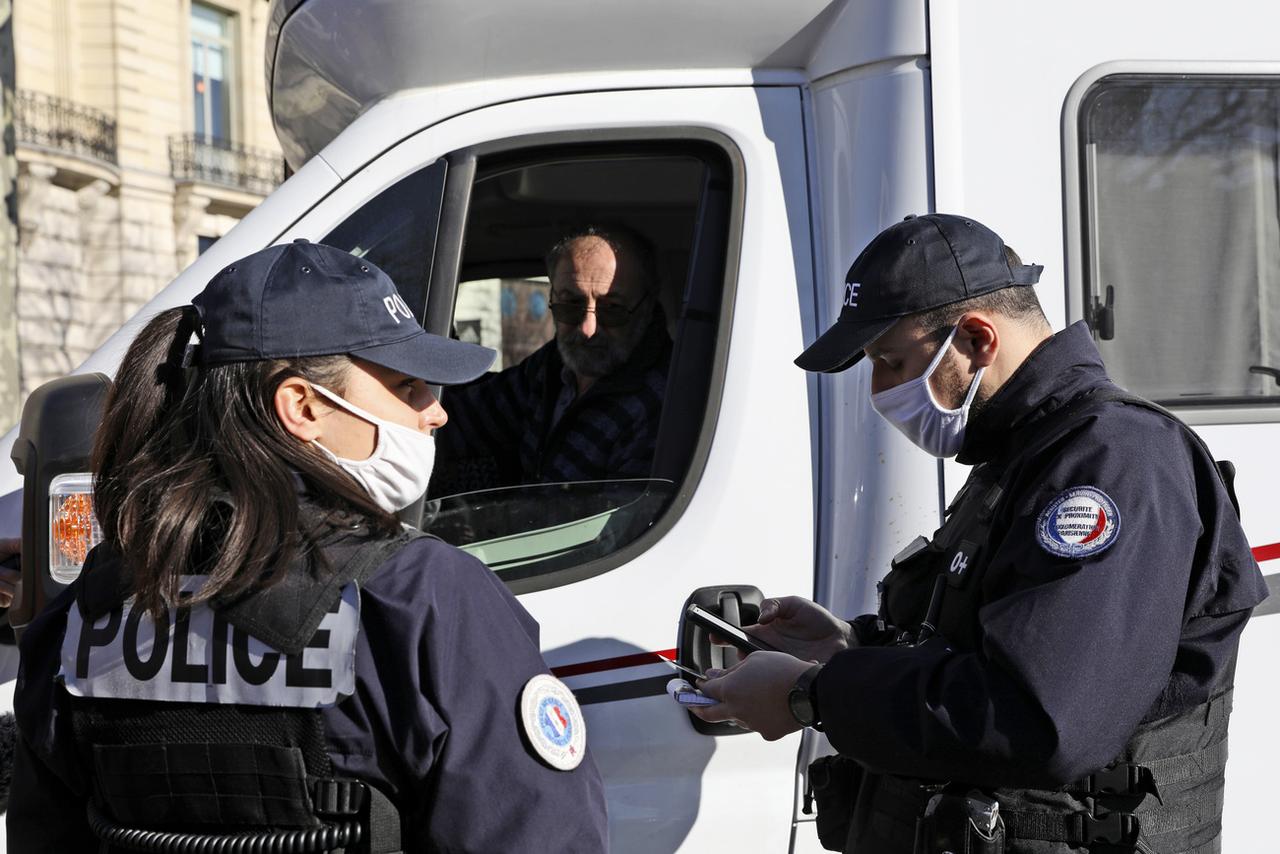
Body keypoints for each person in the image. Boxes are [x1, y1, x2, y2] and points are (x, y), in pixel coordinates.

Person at [690, 214, 1268, 853]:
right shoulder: (1029, 451)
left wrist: (812, 695)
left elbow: (1037, 719)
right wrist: (848, 646)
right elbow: (990, 641)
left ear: (975, 338)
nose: (880, 390)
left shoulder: (1114, 461)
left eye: (890, 360)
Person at [7, 241, 609, 851]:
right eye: (406, 387)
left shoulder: (89, 610)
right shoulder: (426, 600)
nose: (435, 413)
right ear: (303, 407)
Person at [430, 225, 671, 495]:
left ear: (647, 307)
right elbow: (469, 421)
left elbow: (621, 530)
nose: (587, 328)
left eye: (612, 309)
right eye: (570, 305)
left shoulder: (660, 405)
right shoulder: (553, 366)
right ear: (552, 297)